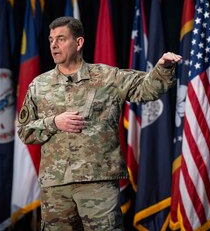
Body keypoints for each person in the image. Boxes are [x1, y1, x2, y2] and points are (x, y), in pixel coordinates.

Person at [17, 16, 182, 230]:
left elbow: (146, 89)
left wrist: (163, 67)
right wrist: (53, 122)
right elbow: (24, 131)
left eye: (61, 39)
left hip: (98, 183)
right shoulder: (39, 85)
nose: (54, 45)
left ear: (79, 43)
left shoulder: (106, 77)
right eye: (51, 40)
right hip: (55, 186)